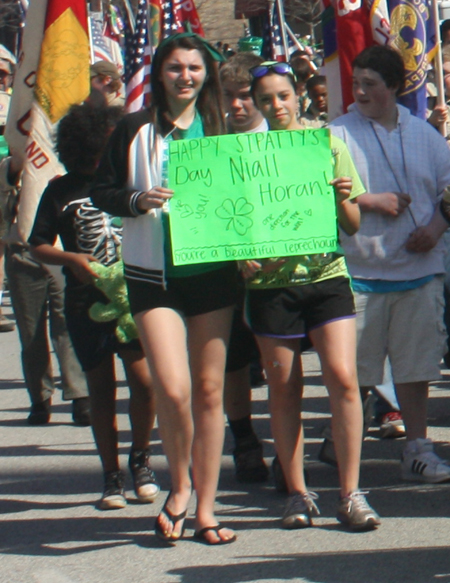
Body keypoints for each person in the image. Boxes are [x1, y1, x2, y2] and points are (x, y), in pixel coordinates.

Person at [91, 33, 238, 545]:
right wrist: (137, 199)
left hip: (213, 276)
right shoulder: (133, 128)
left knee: (209, 391)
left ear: (206, 74)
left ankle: (206, 507)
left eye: (195, 68)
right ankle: (179, 487)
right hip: (153, 274)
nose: (186, 76)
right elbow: (102, 191)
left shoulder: (221, 127)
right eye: (175, 67)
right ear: (159, 73)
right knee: (173, 390)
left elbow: (248, 193)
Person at [242, 60, 380, 531]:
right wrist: (241, 257)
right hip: (270, 286)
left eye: (282, 95)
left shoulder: (328, 143)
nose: (276, 106)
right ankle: (298, 494)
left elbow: (353, 223)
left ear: (298, 94)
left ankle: (350, 492)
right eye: (266, 99)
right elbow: (234, 222)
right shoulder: (245, 153)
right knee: (285, 389)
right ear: (256, 104)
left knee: (343, 378)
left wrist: (343, 196)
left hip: (326, 275)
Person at [29, 103, 159, 510]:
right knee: (101, 390)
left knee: (145, 381)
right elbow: (38, 245)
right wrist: (71, 260)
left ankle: (141, 461)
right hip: (85, 301)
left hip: (135, 294)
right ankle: (111, 476)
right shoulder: (59, 190)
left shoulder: (129, 183)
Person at [331, 45, 450, 484]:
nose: (360, 92)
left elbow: (448, 189)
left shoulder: (425, 136)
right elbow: (318, 190)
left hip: (418, 273)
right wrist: (368, 200)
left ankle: (417, 448)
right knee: (352, 373)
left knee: (415, 368)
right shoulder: (336, 135)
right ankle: (344, 449)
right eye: (356, 83)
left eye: (371, 85)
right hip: (359, 273)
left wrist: (436, 228)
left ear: (395, 88)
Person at [219, 52, 269, 484]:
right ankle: (245, 439)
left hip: (281, 267)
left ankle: (291, 446)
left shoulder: (286, 138)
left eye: (244, 96)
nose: (236, 106)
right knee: (234, 361)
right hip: (228, 271)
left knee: (285, 360)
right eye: (228, 97)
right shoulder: (207, 145)